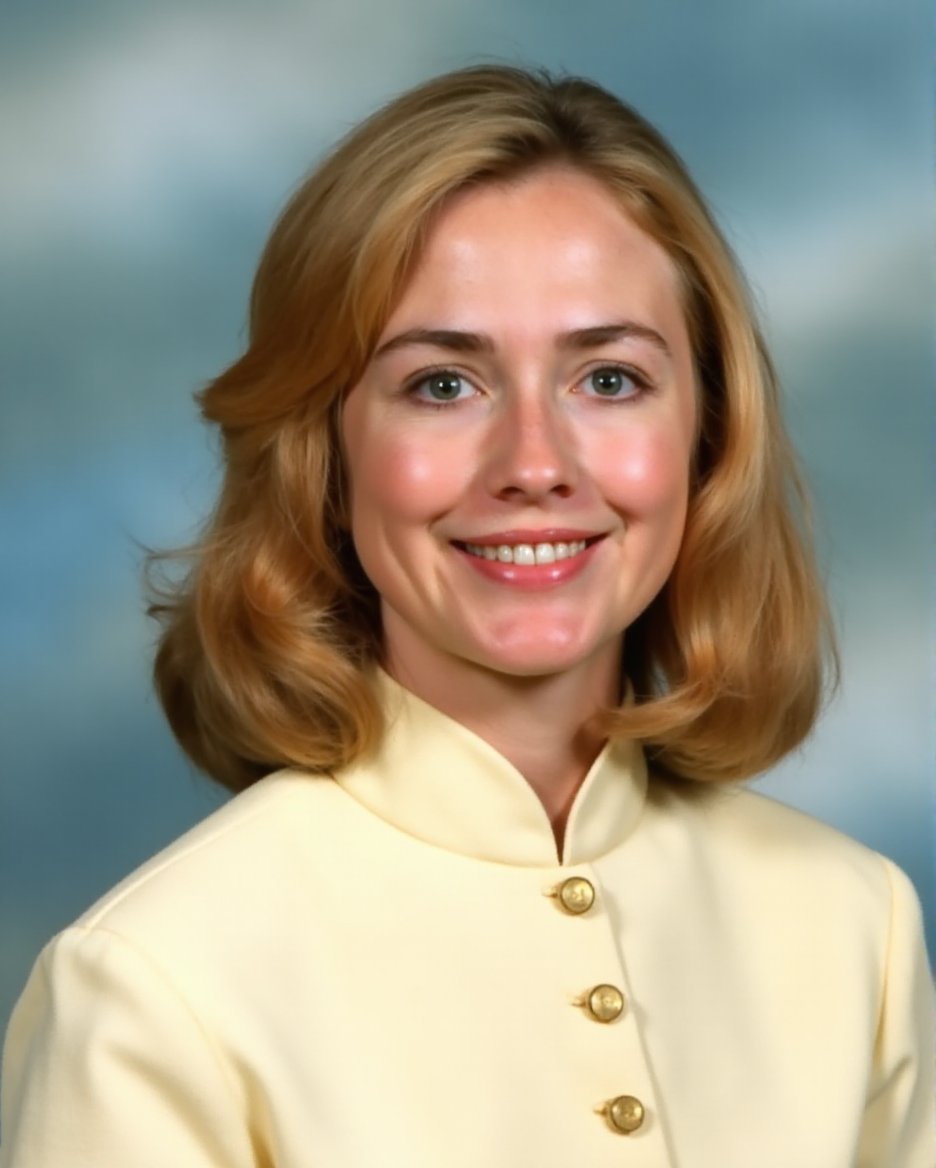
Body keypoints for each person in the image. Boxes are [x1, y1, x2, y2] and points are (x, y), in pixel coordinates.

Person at [0, 65, 932, 1168]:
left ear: (709, 436)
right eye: (444, 384)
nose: (533, 465)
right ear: (324, 457)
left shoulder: (853, 923)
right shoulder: (153, 987)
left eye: (611, 378)